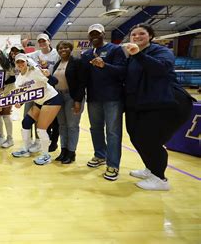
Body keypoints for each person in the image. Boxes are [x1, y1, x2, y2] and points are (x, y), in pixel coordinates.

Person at [123, 24, 194, 191]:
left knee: (151, 140)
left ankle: (160, 179)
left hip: (167, 102)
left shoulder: (161, 51)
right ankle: (151, 169)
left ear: (150, 36)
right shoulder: (132, 56)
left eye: (142, 33)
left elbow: (161, 68)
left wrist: (138, 54)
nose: (137, 37)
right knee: (137, 137)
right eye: (134, 34)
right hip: (143, 104)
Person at [81, 23, 126, 181]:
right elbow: (83, 77)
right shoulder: (86, 54)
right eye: (91, 34)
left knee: (113, 132)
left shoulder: (115, 49)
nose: (94, 36)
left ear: (103, 34)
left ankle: (113, 164)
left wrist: (104, 65)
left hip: (112, 98)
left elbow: (123, 71)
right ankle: (100, 155)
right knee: (95, 128)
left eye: (97, 33)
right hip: (93, 98)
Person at [11, 54, 62, 165]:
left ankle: (45, 155)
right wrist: (20, 102)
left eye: (22, 62)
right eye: (18, 62)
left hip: (51, 99)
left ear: (26, 62)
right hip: (39, 102)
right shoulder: (18, 79)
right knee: (26, 122)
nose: (20, 64)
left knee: (41, 129)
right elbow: (24, 94)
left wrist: (48, 75)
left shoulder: (35, 71)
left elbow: (54, 82)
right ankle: (25, 149)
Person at [52, 41, 85, 164]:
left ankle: (71, 153)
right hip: (59, 97)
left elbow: (82, 83)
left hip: (72, 97)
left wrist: (78, 100)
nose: (63, 50)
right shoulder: (57, 64)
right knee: (62, 125)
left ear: (70, 49)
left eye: (65, 47)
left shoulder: (77, 62)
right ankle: (63, 151)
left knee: (72, 126)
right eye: (60, 48)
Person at [27, 33, 60, 152]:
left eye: (44, 41)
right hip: (41, 88)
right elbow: (24, 57)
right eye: (39, 42)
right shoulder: (36, 54)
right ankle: (43, 141)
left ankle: (54, 142)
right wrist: (36, 64)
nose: (42, 43)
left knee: (55, 120)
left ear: (49, 41)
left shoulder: (56, 53)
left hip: (54, 86)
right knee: (44, 119)